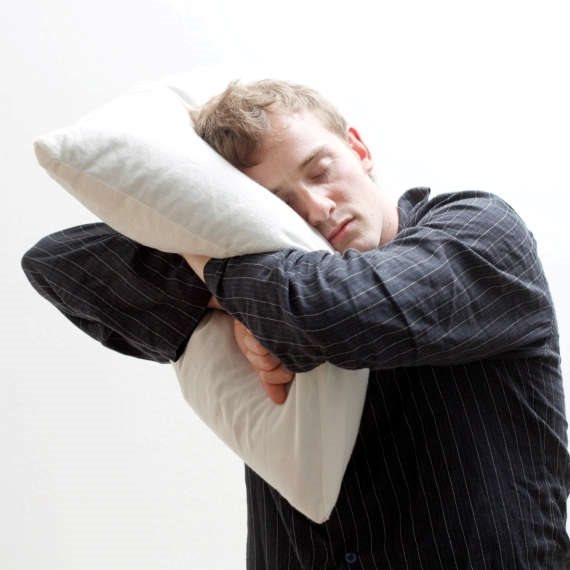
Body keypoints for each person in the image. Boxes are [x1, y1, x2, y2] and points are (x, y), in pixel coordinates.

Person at [22, 79, 570, 569]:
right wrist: (231, 299)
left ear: (359, 148)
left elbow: (331, 312)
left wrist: (227, 283)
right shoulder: (264, 270)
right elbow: (59, 263)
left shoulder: (480, 231)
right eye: (275, 203)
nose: (316, 208)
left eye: (320, 171)